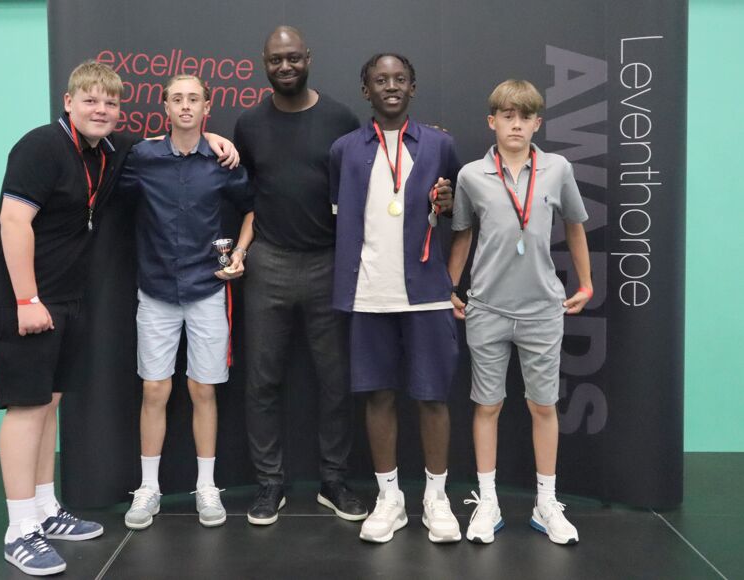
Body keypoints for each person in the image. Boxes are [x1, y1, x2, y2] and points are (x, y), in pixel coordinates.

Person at [0, 61, 238, 576]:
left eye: (110, 103)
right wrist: (27, 300)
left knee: (48, 404)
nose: (101, 110)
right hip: (22, 298)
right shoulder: (40, 146)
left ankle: (45, 510)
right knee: (26, 409)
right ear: (68, 102)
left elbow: (176, 143)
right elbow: (13, 221)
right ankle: (20, 529)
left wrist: (208, 138)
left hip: (65, 297)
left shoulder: (107, 152)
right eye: (90, 100)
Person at [232, 25, 368, 525]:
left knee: (335, 380)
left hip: (328, 262)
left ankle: (334, 480)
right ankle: (270, 483)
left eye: (293, 57)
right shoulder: (249, 124)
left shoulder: (340, 118)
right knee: (262, 380)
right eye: (276, 59)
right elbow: (245, 190)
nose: (285, 66)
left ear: (308, 58)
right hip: (268, 260)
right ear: (264, 63)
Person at [448, 79, 592, 545]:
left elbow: (575, 225)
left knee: (543, 405)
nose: (516, 124)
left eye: (525, 116)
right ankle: (487, 500)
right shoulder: (471, 175)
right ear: (492, 121)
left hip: (542, 310)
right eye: (507, 116)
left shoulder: (557, 169)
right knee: (487, 405)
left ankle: (546, 502)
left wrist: (586, 283)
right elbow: (463, 234)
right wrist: (451, 286)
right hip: (486, 308)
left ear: (537, 123)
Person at [330, 53, 461, 544]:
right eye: (380, 80)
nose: (390, 86)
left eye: (399, 79)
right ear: (366, 90)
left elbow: (458, 211)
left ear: (413, 87)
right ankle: (390, 499)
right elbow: (338, 210)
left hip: (426, 292)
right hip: (368, 293)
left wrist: (448, 205)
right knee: (378, 395)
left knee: (432, 396)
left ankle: (436, 498)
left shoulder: (440, 144)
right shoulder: (344, 150)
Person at [118, 75, 253, 530]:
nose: (185, 106)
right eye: (177, 99)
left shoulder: (222, 159)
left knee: (203, 390)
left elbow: (252, 208)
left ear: (207, 107)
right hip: (155, 290)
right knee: (154, 390)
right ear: (165, 107)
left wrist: (239, 253)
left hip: (206, 289)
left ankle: (207, 486)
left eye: (194, 99)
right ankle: (148, 488)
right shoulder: (143, 156)